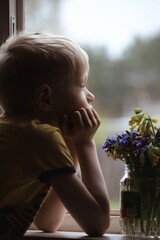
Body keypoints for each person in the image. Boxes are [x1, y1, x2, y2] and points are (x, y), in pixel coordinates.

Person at [0, 32, 110, 239]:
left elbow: (47, 222)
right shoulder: (40, 138)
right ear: (45, 98)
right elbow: (98, 223)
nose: (91, 96)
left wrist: (71, 147)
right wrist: (85, 144)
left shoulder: (16, 134)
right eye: (81, 85)